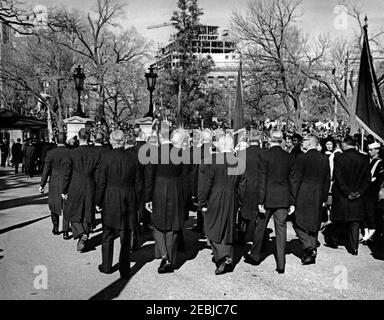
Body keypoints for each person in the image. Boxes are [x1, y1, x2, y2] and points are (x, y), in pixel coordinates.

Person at [245, 129, 295, 274]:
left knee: (260, 227)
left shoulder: (264, 155)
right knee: (281, 230)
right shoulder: (289, 157)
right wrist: (292, 201)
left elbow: (262, 180)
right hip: (283, 197)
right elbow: (293, 180)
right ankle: (281, 263)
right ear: (281, 139)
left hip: (267, 197)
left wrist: (260, 201)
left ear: (270, 139)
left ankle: (255, 255)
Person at [96, 130, 143, 279]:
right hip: (128, 198)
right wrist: (138, 201)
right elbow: (139, 183)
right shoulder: (133, 158)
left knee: (108, 234)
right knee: (125, 235)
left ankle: (107, 265)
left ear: (111, 141)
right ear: (123, 141)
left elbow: (101, 182)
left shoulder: (106, 158)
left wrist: (98, 201)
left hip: (110, 197)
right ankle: (124, 269)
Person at [199, 134, 245, 275]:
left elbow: (207, 183)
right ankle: (228, 256)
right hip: (232, 196)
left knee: (211, 226)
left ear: (220, 145)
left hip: (216, 196)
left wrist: (202, 201)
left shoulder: (213, 160)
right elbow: (242, 184)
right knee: (228, 227)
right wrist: (241, 201)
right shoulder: (238, 161)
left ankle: (223, 256)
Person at [144, 126, 188, 273]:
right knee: (172, 226)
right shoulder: (180, 153)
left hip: (159, 190)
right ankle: (169, 257)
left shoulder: (154, 153)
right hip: (176, 190)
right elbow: (185, 177)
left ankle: (164, 255)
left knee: (156, 224)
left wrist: (147, 198)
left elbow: (149, 178)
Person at [327, 136, 371, 255]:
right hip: (358, 194)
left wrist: (347, 192)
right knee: (355, 222)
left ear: (345, 144)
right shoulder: (364, 158)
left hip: (342, 195)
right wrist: (359, 192)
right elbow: (367, 179)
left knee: (338, 220)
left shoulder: (339, 157)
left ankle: (334, 241)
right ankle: (354, 247)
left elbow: (338, 177)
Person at [291, 134, 330, 265]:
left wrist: (292, 197)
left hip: (303, 193)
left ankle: (308, 247)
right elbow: (327, 180)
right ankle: (311, 252)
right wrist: (324, 197)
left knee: (297, 222)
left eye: (305, 141)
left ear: (310, 143)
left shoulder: (302, 158)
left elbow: (295, 179)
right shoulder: (324, 159)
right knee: (314, 223)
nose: (303, 143)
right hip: (318, 194)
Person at [62, 128, 101, 252]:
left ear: (78, 138)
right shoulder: (95, 153)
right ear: (89, 137)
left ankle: (80, 232)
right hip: (90, 183)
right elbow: (98, 174)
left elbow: (67, 173)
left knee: (71, 210)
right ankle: (84, 235)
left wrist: (64, 189)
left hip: (75, 184)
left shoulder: (72, 153)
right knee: (87, 211)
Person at [40, 133, 71, 239]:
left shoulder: (50, 153)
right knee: (66, 206)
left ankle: (56, 227)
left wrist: (42, 184)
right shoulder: (70, 152)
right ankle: (66, 231)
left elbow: (46, 170)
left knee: (53, 205)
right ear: (65, 140)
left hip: (54, 180)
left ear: (56, 141)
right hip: (67, 181)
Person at [362, 142, 384, 242]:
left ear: (377, 150)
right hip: (366, 189)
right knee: (365, 212)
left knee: (371, 212)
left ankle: (372, 232)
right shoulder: (369, 160)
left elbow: (378, 178)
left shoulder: (380, 162)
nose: (369, 152)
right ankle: (367, 232)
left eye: (371, 150)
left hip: (373, 191)